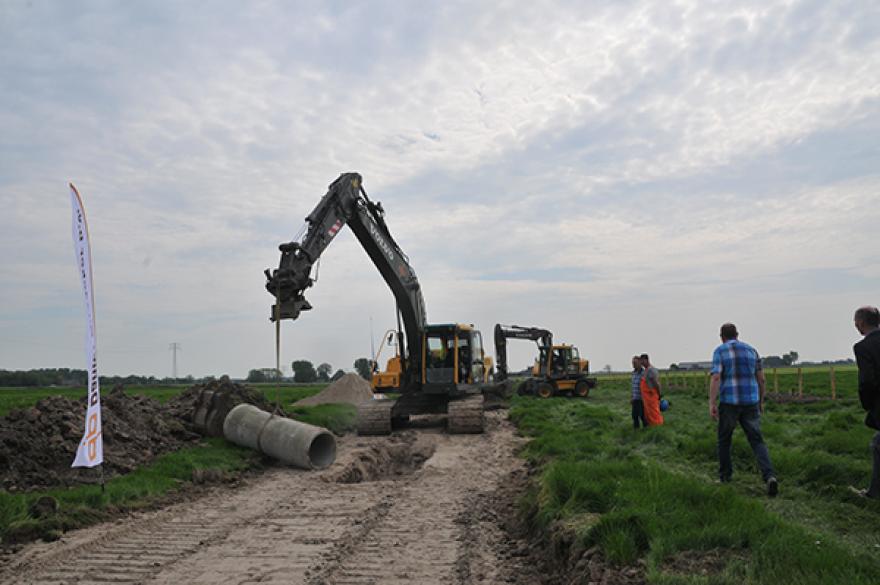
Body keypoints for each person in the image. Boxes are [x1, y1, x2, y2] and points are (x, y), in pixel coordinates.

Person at [709, 323, 778, 496]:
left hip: (729, 402)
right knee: (757, 440)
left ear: (722, 336)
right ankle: (769, 476)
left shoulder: (720, 351)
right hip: (750, 402)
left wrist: (712, 402)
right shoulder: (752, 351)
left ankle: (725, 476)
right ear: (737, 334)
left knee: (724, 440)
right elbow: (761, 379)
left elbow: (716, 377)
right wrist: (761, 400)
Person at [851, 306, 880, 499]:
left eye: (855, 322)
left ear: (861, 323)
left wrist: (869, 404)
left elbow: (867, 381)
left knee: (878, 445)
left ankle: (873, 494)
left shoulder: (863, 347)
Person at [639, 354, 664, 426]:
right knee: (649, 413)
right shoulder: (646, 371)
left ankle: (658, 426)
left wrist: (659, 394)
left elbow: (656, 383)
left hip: (652, 396)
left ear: (646, 360)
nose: (642, 363)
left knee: (654, 413)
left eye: (642, 361)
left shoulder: (651, 370)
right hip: (647, 398)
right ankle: (652, 427)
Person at [631, 355, 647, 429]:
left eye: (635, 363)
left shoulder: (644, 373)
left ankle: (646, 429)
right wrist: (632, 397)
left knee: (643, 416)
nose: (633, 365)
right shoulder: (633, 373)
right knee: (634, 416)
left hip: (642, 399)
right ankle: (636, 431)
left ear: (640, 363)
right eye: (633, 363)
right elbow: (633, 386)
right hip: (635, 399)